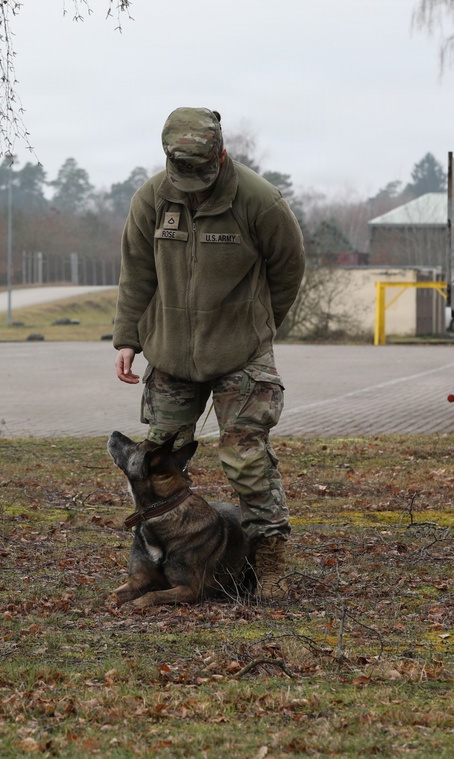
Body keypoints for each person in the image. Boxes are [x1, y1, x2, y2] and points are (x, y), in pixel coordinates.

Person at [112, 106, 305, 602]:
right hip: (172, 351)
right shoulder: (152, 199)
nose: (192, 183)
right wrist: (128, 338)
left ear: (220, 154)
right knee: (155, 459)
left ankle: (270, 562)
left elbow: (288, 269)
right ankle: (157, 562)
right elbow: (137, 272)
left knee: (245, 458)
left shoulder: (259, 201)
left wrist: (260, 326)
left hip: (241, 351)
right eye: (183, 172)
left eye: (201, 171)